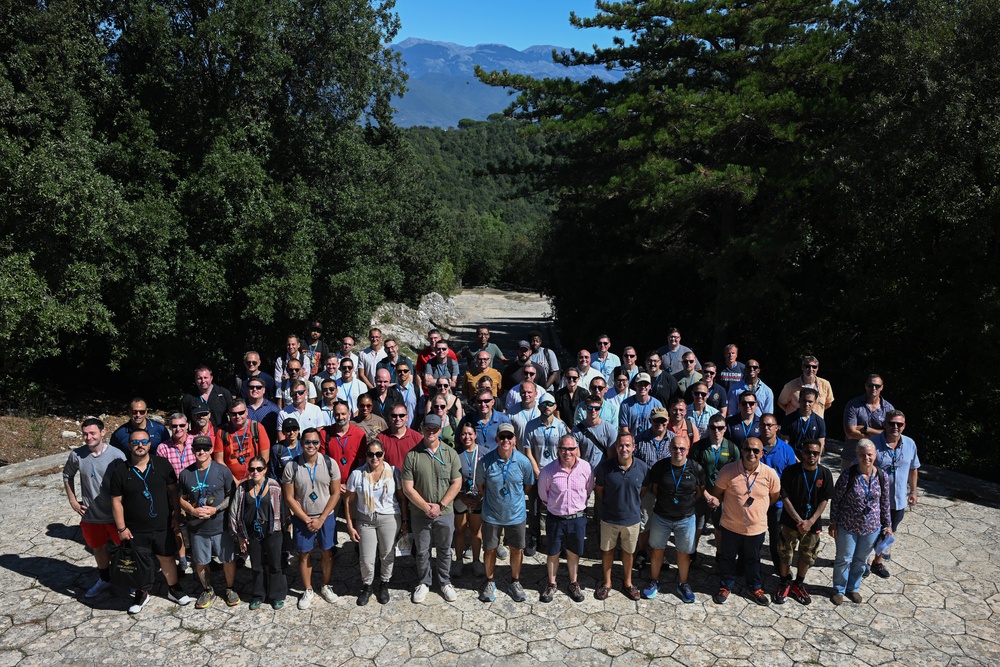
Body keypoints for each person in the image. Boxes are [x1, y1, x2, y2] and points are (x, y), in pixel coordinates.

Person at [110, 429, 193, 613]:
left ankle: (173, 589)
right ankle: (142, 592)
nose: (140, 445)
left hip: (162, 524)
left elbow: (173, 492)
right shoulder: (120, 471)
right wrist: (121, 528)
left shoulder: (163, 465)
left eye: (144, 441)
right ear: (129, 445)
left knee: (167, 557)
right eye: (136, 442)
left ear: (149, 444)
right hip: (135, 528)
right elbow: (116, 501)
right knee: (141, 561)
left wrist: (176, 514)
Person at [711, 437, 781, 606]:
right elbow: (717, 493)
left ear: (762, 453)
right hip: (730, 526)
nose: (751, 453)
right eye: (748, 449)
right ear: (741, 450)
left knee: (753, 559)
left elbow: (774, 497)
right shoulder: (728, 471)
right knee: (727, 558)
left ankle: (755, 587)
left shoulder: (770, 474)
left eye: (756, 451)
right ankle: (725, 586)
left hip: (755, 529)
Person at [401, 413, 463, 603]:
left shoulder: (450, 453)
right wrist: (426, 507)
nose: (431, 431)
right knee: (422, 550)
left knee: (445, 549)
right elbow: (407, 487)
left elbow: (457, 482)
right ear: (422, 429)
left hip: (444, 512)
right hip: (420, 513)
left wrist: (441, 505)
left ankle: (445, 581)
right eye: (427, 428)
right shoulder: (412, 455)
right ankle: (424, 582)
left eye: (434, 428)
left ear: (439, 430)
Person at [63, 417, 127, 598]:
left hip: (115, 514)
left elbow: (127, 482)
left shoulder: (116, 455)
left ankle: (130, 581)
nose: (88, 437)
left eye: (92, 433)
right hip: (91, 515)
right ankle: (104, 579)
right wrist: (73, 501)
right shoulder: (77, 455)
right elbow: (67, 475)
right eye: (85, 434)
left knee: (125, 548)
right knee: (98, 549)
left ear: (103, 433)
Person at [642, 435, 707, 603]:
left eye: (682, 448)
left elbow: (699, 491)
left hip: (685, 518)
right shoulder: (660, 467)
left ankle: (683, 583)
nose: (678, 451)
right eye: (675, 448)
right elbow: (655, 489)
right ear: (669, 449)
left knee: (683, 553)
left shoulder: (696, 468)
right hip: (661, 516)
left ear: (687, 450)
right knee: (657, 550)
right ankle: (654, 581)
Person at [282, 428, 341, 609]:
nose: (311, 446)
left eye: (315, 442)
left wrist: (322, 519)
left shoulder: (330, 464)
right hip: (303, 518)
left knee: (327, 552)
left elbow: (336, 492)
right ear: (301, 443)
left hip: (326, 517)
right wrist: (306, 519)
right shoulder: (291, 466)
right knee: (304, 554)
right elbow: (289, 497)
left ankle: (325, 585)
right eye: (307, 442)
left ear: (320, 444)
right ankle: (308, 589)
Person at [476, 423, 535, 602]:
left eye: (509, 437)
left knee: (517, 549)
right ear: (497, 439)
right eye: (502, 437)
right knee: (490, 549)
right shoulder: (485, 462)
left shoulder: (523, 462)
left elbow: (528, 485)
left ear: (515, 439)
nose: (506, 440)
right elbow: (480, 486)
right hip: (492, 514)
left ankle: (515, 581)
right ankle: (489, 580)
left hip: (516, 514)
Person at [829, 439, 892, 605]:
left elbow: (885, 502)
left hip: (871, 527)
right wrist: (833, 522)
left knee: (861, 560)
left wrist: (888, 525)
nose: (867, 458)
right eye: (863, 454)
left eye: (870, 454)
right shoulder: (848, 475)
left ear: (875, 455)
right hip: (848, 525)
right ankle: (838, 589)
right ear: (857, 455)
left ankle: (853, 588)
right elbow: (836, 500)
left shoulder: (882, 476)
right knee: (844, 558)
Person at [178, 435, 238, 609]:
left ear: (212, 450)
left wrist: (216, 509)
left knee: (228, 559)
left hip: (221, 525)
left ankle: (230, 588)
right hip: (197, 528)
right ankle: (207, 589)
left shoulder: (222, 471)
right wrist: (192, 510)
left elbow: (231, 495)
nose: (201, 452)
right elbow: (181, 498)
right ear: (193, 451)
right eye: (198, 449)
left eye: (205, 448)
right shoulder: (185, 474)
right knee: (201, 561)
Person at [345, 439, 408, 606]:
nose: (375, 458)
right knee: (366, 557)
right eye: (371, 454)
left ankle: (384, 584)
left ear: (383, 455)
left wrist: (405, 521)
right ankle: (367, 585)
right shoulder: (357, 474)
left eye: (378, 454)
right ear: (366, 456)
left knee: (387, 553)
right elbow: (348, 501)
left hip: (389, 517)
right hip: (366, 519)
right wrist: (350, 525)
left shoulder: (394, 472)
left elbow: (401, 499)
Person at [774, 439, 832, 605]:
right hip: (791, 522)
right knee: (785, 553)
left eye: (815, 453)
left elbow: (824, 500)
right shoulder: (790, 472)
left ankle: (798, 583)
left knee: (807, 556)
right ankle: (784, 582)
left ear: (820, 454)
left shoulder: (825, 473)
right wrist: (799, 521)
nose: (811, 456)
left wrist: (811, 521)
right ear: (802, 453)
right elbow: (784, 497)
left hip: (813, 525)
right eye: (808, 452)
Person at [537, 435, 595, 603]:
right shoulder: (548, 471)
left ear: (576, 449)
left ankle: (573, 582)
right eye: (563, 448)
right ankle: (551, 583)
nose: (567, 452)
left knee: (573, 552)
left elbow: (588, 489)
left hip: (577, 518)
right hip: (556, 518)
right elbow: (543, 495)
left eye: (571, 449)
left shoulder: (586, 468)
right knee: (553, 552)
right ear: (558, 450)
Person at [229, 455, 288, 609]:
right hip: (252, 532)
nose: (255, 472)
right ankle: (258, 595)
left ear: (265, 470)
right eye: (252, 469)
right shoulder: (243, 487)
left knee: (275, 564)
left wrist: (284, 529)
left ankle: (277, 595)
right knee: (256, 565)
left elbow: (282, 510)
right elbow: (234, 511)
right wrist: (240, 535)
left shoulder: (274, 486)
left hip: (272, 531)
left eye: (259, 469)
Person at [594, 433, 648, 601]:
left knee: (629, 553)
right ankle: (607, 583)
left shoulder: (643, 468)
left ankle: (628, 583)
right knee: (607, 551)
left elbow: (643, 491)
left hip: (631, 519)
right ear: (616, 447)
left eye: (627, 445)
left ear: (634, 447)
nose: (624, 449)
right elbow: (600, 490)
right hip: (609, 518)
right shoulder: (605, 467)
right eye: (620, 445)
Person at [868, 410, 919, 578]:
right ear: (884, 424)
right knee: (869, 532)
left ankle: (878, 562)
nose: (895, 427)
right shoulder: (872, 443)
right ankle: (862, 562)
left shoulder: (910, 444)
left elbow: (913, 469)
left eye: (899, 424)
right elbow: (862, 468)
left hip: (897, 500)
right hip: (875, 500)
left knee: (888, 533)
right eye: (892, 423)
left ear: (904, 426)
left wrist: (913, 491)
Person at [522, 397, 570, 557]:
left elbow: (565, 451)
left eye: (550, 403)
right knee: (535, 509)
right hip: (537, 473)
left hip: (556, 474)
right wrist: (539, 473)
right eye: (544, 404)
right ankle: (535, 537)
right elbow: (528, 452)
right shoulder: (531, 425)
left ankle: (557, 540)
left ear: (555, 406)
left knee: (557, 509)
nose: (547, 406)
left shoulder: (561, 426)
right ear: (539, 406)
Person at [690, 413, 737, 560]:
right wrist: (707, 495)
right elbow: (692, 473)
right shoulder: (699, 447)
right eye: (713, 428)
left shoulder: (731, 447)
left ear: (725, 429)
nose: (716, 431)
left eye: (720, 428)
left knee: (720, 525)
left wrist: (720, 496)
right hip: (702, 493)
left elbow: (736, 475)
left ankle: (720, 555)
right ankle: (691, 554)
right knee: (698, 524)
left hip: (723, 495)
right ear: (708, 428)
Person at [157, 413, 195, 573]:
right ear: (169, 427)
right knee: (177, 524)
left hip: (195, 490)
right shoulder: (163, 448)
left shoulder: (195, 441)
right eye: (174, 426)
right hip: (174, 492)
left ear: (187, 425)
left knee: (196, 523)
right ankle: (182, 558)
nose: (178, 429)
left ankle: (199, 555)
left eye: (181, 425)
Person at [759, 413, 798, 565]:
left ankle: (777, 566)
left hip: (778, 503)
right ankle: (747, 565)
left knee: (776, 536)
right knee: (753, 535)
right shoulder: (753, 446)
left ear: (776, 428)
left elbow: (791, 479)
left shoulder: (787, 450)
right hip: (756, 501)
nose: (766, 428)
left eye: (769, 425)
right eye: (763, 425)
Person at [452, 422, 486, 580]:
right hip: (460, 497)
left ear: (475, 435)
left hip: (479, 497)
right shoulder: (454, 454)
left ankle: (476, 561)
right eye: (464, 434)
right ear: (460, 436)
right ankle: (458, 561)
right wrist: (461, 496)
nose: (467, 437)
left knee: (475, 530)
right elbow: (450, 478)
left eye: (470, 433)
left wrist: (481, 495)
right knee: (459, 530)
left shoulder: (484, 453)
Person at [842, 374, 896, 471]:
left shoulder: (889, 409)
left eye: (877, 386)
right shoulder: (853, 405)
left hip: (879, 459)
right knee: (846, 485)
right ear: (866, 386)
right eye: (870, 385)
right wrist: (879, 436)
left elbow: (890, 434)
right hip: (852, 455)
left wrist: (867, 429)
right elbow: (850, 433)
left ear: (882, 387)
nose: (874, 388)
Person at [214, 399, 270, 482]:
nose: (238, 416)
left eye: (241, 413)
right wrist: (233, 480)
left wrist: (252, 476)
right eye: (234, 414)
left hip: (255, 478)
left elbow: (265, 458)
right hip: (231, 481)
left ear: (246, 411)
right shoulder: (222, 432)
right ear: (229, 414)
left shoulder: (257, 428)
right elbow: (219, 460)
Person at [322, 402, 367, 491]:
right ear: (333, 415)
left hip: (353, 486)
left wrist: (350, 483)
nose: (340, 417)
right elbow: (321, 463)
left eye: (343, 414)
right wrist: (334, 484)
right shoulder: (324, 434)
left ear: (349, 414)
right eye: (337, 414)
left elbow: (361, 462)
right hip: (330, 486)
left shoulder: (359, 434)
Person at [572, 394, 617, 470]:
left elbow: (611, 457)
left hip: (603, 472)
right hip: (583, 471)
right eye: (590, 408)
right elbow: (577, 457)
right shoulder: (576, 431)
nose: (593, 411)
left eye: (596, 408)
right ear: (585, 408)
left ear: (600, 409)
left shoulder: (610, 429)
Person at [780, 387, 827, 454]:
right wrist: (794, 459)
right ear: (799, 400)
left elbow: (821, 444)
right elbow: (785, 443)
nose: (806, 404)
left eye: (810, 401)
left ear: (815, 402)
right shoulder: (788, 419)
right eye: (804, 400)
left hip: (811, 458)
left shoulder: (819, 421)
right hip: (792, 458)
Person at [379, 405, 423, 470]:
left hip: (412, 478)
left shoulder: (417, 437)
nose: (398, 419)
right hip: (389, 478)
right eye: (394, 416)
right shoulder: (381, 438)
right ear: (389, 417)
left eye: (401, 415)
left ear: (407, 417)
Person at [245, 378, 280, 444]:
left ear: (264, 390)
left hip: (268, 448)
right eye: (251, 387)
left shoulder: (274, 409)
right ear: (247, 390)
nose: (255, 389)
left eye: (258, 387)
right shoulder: (241, 408)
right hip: (246, 448)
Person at [393, 360, 419, 426]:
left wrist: (415, 427)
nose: (402, 373)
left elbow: (420, 412)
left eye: (405, 371)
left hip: (411, 429)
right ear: (396, 373)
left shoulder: (417, 390)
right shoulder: (391, 390)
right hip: (395, 429)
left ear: (409, 372)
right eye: (399, 371)